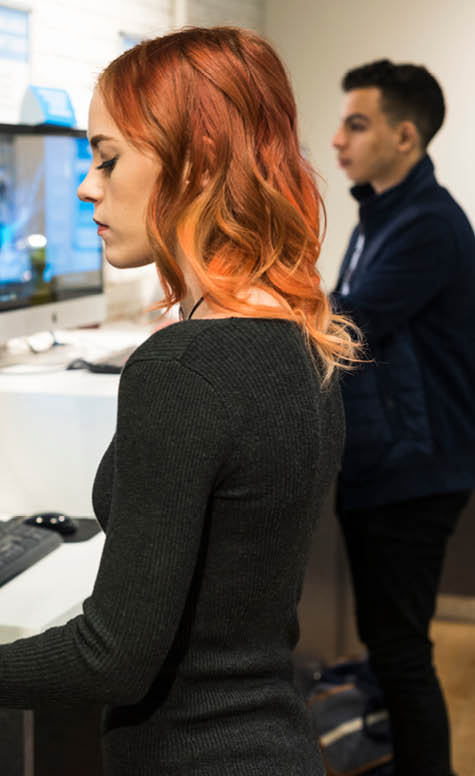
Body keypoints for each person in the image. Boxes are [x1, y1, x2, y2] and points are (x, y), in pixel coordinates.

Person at [0, 27, 358, 774]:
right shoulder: (296, 337)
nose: (86, 186)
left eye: (107, 158)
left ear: (194, 159)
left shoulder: (185, 366)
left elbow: (110, 658)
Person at [330, 59, 475, 776]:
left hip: (412, 471)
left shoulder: (427, 226)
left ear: (405, 136)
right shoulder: (380, 215)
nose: (336, 139)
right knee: (389, 645)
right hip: (385, 466)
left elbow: (349, 320)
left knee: (400, 651)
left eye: (356, 124)